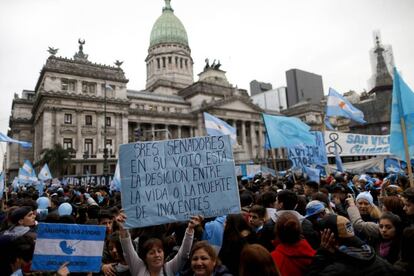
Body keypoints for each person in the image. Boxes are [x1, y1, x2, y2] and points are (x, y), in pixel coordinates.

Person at [306, 214, 399, 276]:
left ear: (326, 236)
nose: (383, 230)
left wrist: (322, 253)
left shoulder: (336, 270)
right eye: (381, 226)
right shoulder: (372, 255)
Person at [118, 211, 202, 276]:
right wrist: (122, 228)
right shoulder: (138, 268)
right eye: (151, 252)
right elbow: (127, 248)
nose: (157, 255)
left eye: (159, 251)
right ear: (145, 257)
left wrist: (190, 229)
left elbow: (184, 253)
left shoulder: (169, 269)